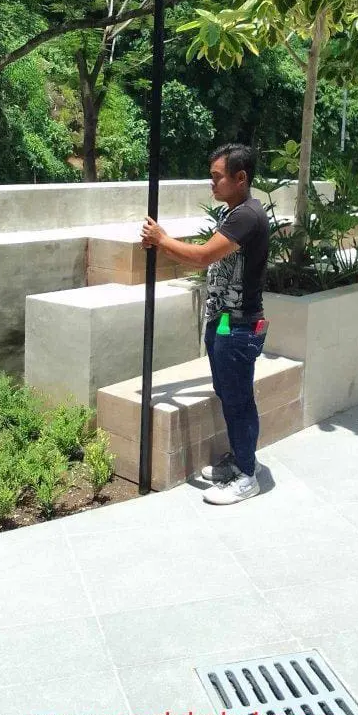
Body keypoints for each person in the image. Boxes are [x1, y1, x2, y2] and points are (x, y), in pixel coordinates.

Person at [140, 143, 270, 505]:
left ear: (240, 178)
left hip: (239, 325)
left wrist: (162, 240)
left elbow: (202, 257)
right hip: (226, 322)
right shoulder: (237, 212)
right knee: (230, 393)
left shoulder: (246, 216)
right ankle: (244, 459)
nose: (211, 184)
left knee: (238, 398)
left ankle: (247, 475)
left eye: (217, 177)